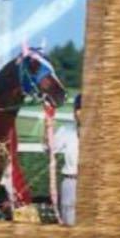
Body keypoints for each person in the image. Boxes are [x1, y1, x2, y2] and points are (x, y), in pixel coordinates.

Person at [54, 93, 81, 225]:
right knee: (69, 221)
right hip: (71, 182)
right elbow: (50, 149)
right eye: (78, 109)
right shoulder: (66, 130)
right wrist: (47, 129)